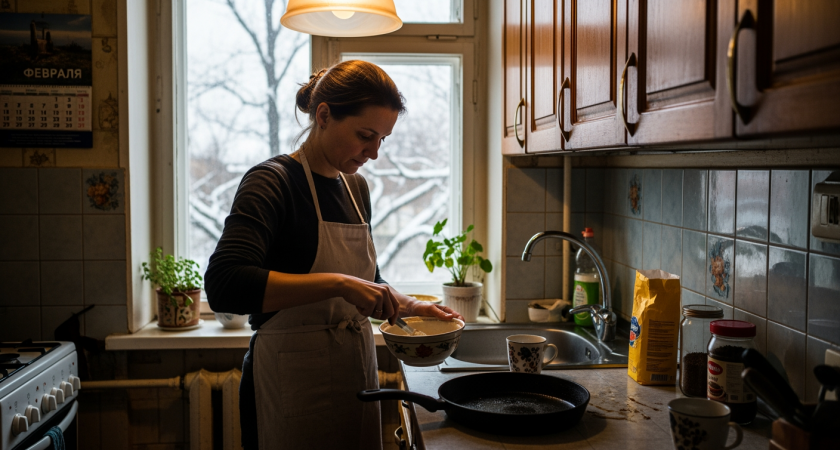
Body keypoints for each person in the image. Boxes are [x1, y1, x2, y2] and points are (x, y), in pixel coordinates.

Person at [205, 60, 463, 450]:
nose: (374, 153)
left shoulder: (356, 189)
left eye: (382, 139)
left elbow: (368, 279)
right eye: (365, 135)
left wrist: (409, 305)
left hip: (354, 374)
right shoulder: (272, 182)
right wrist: (340, 285)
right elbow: (225, 285)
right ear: (323, 115)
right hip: (290, 378)